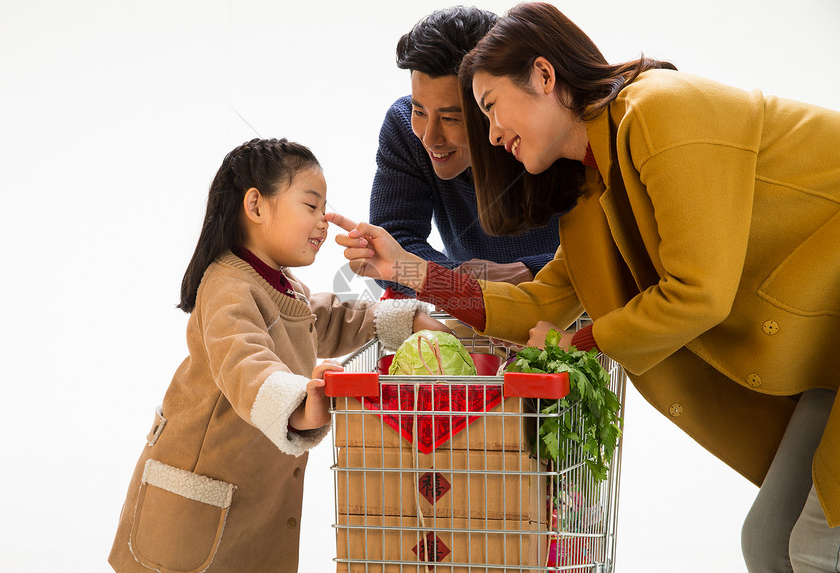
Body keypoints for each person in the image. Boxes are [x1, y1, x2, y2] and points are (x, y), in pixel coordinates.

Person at [329, 3, 840, 571]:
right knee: (770, 540)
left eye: (490, 109)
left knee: (816, 547)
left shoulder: (657, 109)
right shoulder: (590, 190)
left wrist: (572, 346)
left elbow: (699, 293)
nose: (492, 135)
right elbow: (540, 302)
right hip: (825, 346)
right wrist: (406, 269)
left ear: (545, 77)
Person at [108, 138, 442, 573]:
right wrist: (305, 402)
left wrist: (400, 319)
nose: (324, 222)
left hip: (244, 501)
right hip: (195, 507)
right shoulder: (227, 285)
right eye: (311, 205)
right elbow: (246, 363)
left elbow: (327, 319)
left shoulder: (282, 286)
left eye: (325, 209)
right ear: (257, 205)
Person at [370, 6, 562, 298]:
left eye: (451, 118)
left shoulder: (551, 135)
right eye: (419, 110)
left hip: (580, 312)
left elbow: (620, 251)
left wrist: (532, 270)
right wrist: (460, 282)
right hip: (478, 317)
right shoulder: (403, 128)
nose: (430, 138)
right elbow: (394, 244)